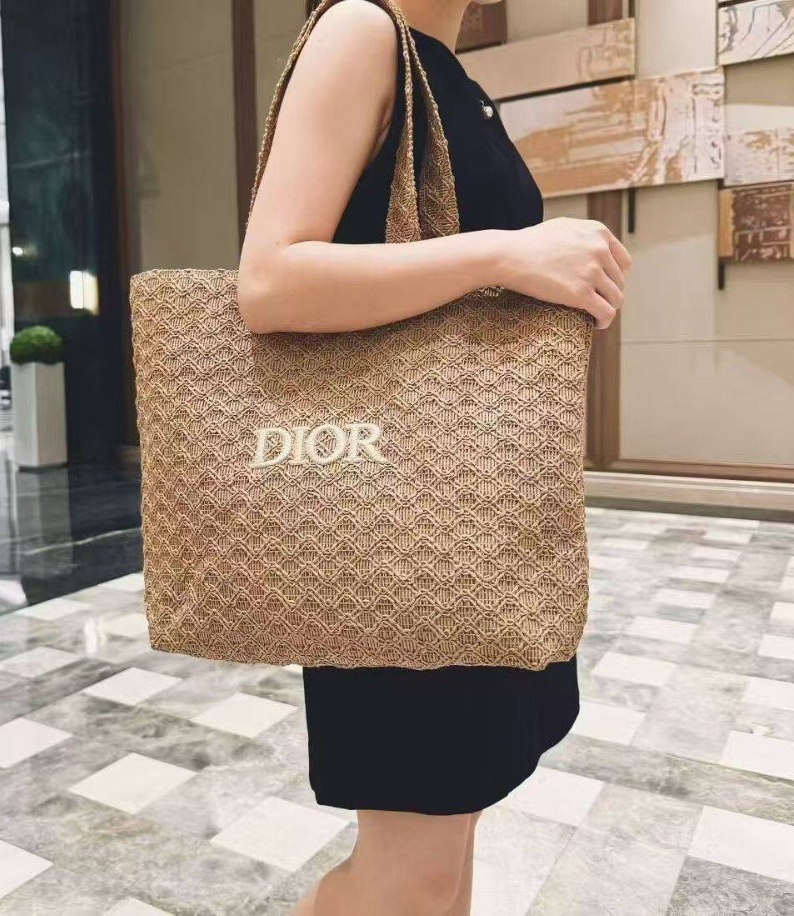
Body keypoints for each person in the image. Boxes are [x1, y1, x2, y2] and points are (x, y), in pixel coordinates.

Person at [238, 1, 632, 913]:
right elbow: (269, 281)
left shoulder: (441, 68)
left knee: (449, 843)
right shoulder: (360, 29)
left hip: (476, 527)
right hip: (394, 531)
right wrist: (504, 254)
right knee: (411, 871)